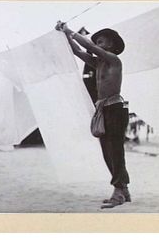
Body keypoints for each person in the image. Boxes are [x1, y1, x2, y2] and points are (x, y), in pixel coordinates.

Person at [55, 21, 130, 208]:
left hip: (115, 109)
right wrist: (64, 35)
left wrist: (69, 30)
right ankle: (123, 189)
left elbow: (88, 46)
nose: (97, 45)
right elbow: (79, 51)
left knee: (115, 151)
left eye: (101, 42)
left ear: (111, 45)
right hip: (103, 110)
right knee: (107, 152)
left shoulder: (114, 60)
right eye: (96, 42)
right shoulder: (99, 63)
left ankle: (119, 191)